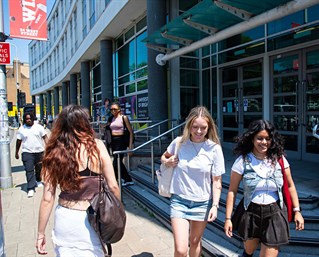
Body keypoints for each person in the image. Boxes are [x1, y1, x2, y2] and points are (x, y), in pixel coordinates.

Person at [36, 105, 120, 256]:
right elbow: (113, 186)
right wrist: (117, 213)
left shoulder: (54, 151)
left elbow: (47, 199)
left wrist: (40, 233)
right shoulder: (97, 146)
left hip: (65, 219)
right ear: (84, 123)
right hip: (92, 218)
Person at [224, 120, 304, 257]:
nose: (264, 142)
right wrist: (227, 218)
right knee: (249, 251)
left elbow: (290, 186)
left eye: (268, 138)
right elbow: (232, 191)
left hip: (275, 213)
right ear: (252, 139)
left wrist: (297, 211)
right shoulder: (242, 161)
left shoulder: (280, 160)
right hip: (251, 212)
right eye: (260, 138)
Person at [161, 106, 225, 257]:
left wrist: (215, 205)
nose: (198, 131)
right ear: (188, 125)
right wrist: (167, 161)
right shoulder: (179, 143)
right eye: (195, 127)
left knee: (195, 242)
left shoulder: (214, 148)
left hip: (202, 202)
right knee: (181, 249)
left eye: (203, 127)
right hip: (179, 200)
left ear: (209, 127)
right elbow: (164, 156)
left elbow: (217, 181)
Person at [15, 112, 48, 197]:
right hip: (27, 152)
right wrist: (16, 152)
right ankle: (30, 188)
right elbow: (18, 141)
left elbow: (45, 137)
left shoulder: (39, 128)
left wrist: (49, 148)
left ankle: (38, 180)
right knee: (29, 170)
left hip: (39, 152)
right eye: (26, 119)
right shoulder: (21, 129)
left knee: (39, 168)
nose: (28, 120)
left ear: (33, 119)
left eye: (30, 118)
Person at [108, 102, 134, 186]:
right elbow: (107, 127)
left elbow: (130, 132)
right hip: (113, 142)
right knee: (118, 161)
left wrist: (130, 147)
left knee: (116, 162)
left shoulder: (124, 118)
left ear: (119, 110)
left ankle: (114, 181)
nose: (113, 111)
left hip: (121, 141)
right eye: (111, 109)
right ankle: (127, 179)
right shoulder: (111, 118)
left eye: (114, 109)